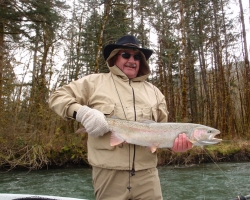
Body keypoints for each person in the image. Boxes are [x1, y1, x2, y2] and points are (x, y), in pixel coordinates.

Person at [49, 35, 192, 200]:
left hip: (147, 176)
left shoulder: (155, 93)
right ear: (114, 57)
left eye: (137, 57)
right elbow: (57, 97)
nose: (132, 60)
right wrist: (82, 113)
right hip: (108, 175)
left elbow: (162, 131)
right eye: (126, 55)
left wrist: (175, 146)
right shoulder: (93, 82)